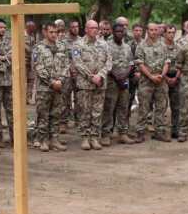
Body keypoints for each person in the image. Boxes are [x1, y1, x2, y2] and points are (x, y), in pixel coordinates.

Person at [71, 20, 112, 151]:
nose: (95, 30)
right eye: (92, 28)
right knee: (85, 111)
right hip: (85, 84)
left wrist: (100, 75)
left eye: (97, 28)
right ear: (86, 30)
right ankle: (85, 137)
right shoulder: (78, 45)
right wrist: (90, 77)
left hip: (100, 83)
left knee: (97, 111)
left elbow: (109, 62)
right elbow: (77, 63)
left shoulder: (104, 44)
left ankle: (94, 137)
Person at [33, 23, 69, 152]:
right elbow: (38, 67)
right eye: (51, 32)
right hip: (45, 88)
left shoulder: (62, 47)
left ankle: (54, 139)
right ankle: (43, 140)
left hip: (59, 87)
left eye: (56, 32)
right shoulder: (39, 48)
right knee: (43, 114)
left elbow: (66, 65)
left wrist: (61, 80)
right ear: (45, 32)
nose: (54, 34)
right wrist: (51, 81)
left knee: (56, 114)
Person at [135, 23, 171, 142]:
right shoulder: (141, 46)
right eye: (151, 30)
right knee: (144, 107)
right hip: (146, 81)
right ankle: (140, 132)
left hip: (161, 81)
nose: (154, 32)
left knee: (161, 107)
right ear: (147, 31)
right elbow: (140, 63)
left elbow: (167, 62)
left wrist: (162, 75)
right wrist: (151, 76)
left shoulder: (163, 45)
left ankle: (159, 132)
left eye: (156, 30)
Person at [102, 23, 133, 145]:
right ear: (113, 32)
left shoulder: (127, 47)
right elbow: (106, 64)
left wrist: (125, 76)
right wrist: (116, 77)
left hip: (124, 82)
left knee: (123, 108)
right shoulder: (107, 46)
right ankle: (106, 134)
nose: (119, 33)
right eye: (117, 31)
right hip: (111, 82)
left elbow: (131, 64)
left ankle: (123, 133)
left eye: (121, 31)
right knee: (109, 108)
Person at [163, 24, 182, 139]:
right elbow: (158, 65)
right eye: (169, 32)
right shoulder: (160, 47)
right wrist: (165, 78)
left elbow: (181, 64)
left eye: (173, 32)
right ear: (164, 33)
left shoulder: (179, 48)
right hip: (163, 78)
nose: (171, 34)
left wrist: (176, 78)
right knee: (161, 106)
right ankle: (161, 130)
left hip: (176, 78)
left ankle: (175, 129)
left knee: (176, 106)